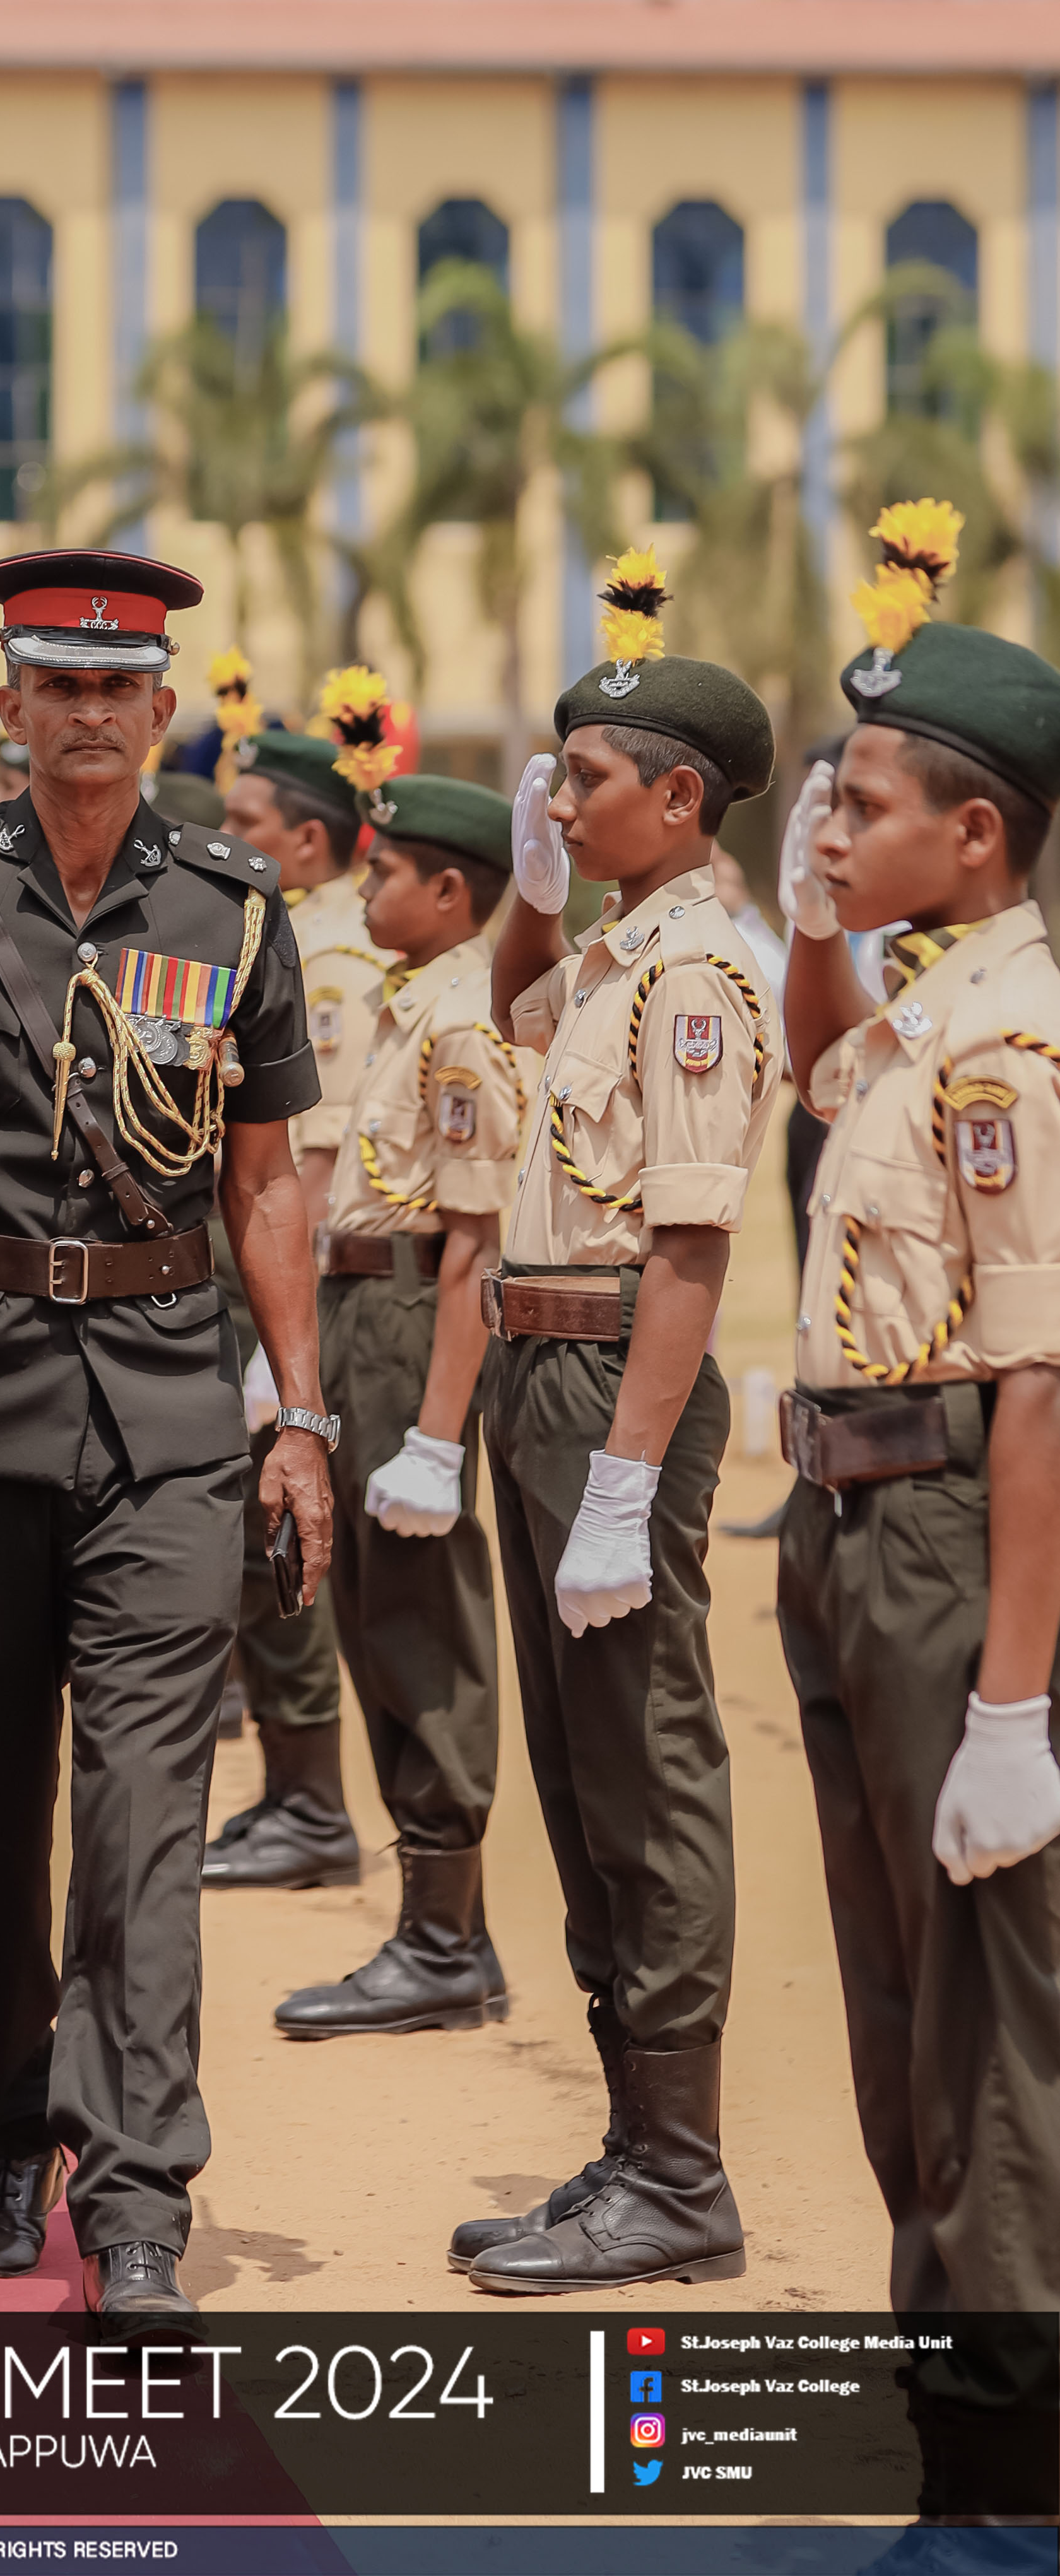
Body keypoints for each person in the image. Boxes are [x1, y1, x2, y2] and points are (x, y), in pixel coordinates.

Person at [0, 551, 328, 2327]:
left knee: (142, 1819)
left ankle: (137, 2190)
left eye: (116, 687)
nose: (84, 712)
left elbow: (264, 1180)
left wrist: (299, 1417)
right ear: (10, 704)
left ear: (162, 708)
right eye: (52, 682)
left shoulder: (233, 902)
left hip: (163, 1408)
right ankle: (4, 2119)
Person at [453, 555, 775, 2296]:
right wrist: (532, 877)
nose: (560, 799)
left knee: (644, 1773)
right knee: (579, 1781)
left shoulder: (699, 970)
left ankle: (684, 2168)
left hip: (607, 1385)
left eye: (584, 778)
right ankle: (635, 2141)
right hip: (540, 1368)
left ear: (680, 796)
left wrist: (629, 1475)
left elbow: (695, 1241)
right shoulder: (604, 958)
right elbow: (499, 1013)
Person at [772, 516, 1060, 2364]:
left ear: (968, 837)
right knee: (890, 1988)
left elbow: (1038, 1381)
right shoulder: (917, 1016)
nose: (825, 826)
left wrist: (1012, 1707)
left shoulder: (1011, 1044)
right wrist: (809, 919)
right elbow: (817, 1064)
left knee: (984, 2002)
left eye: (855, 807)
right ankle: (945, 2377)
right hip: (842, 1524)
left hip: (948, 1535)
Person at [273, 770, 518, 2039]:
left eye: (385, 872)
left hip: (416, 1312)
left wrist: (433, 1433)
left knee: (418, 1610)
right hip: (367, 1303)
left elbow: (474, 1236)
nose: (363, 888)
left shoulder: (462, 1013)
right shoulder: (413, 1002)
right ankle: (433, 1924)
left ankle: (445, 1930)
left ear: (448, 889)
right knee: (370, 1602)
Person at [208, 702, 390, 1886]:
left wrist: (288, 1361)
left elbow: (306, 1175)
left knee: (278, 1535)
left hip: (295, 1294)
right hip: (255, 1291)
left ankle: (313, 1803)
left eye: (245, 824)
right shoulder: (283, 932)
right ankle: (293, 1791)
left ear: (310, 845)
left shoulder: (325, 958)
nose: (221, 840)